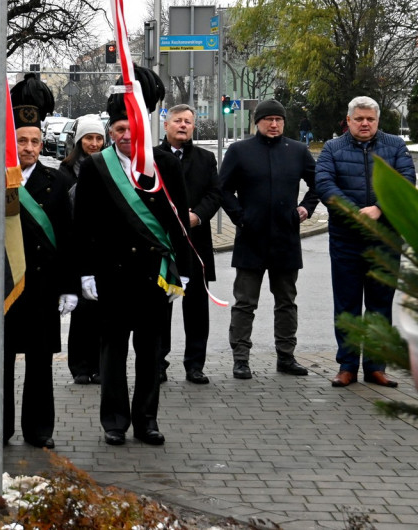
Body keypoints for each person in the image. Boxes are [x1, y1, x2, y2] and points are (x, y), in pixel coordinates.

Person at [73, 66, 190, 447]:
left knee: (151, 353)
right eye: (119, 130)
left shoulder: (166, 165)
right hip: (111, 273)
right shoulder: (94, 168)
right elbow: (83, 225)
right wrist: (85, 272)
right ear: (111, 132)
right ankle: (114, 421)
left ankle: (147, 420)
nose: (126, 136)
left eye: (132, 128)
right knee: (112, 352)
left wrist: (182, 272)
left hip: (153, 275)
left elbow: (178, 223)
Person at [0, 73, 75, 449]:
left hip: (41, 288)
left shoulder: (57, 182)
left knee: (40, 364)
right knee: (0, 364)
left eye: (35, 141)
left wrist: (70, 286)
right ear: (10, 140)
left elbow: (68, 240)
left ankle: (39, 430)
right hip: (2, 286)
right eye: (22, 140)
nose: (29, 147)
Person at [315, 96, 415, 388]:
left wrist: (379, 208)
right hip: (346, 239)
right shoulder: (332, 149)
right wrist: (354, 212)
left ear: (378, 120)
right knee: (346, 305)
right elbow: (325, 184)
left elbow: (405, 179)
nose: (364, 123)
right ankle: (347, 366)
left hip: (385, 238)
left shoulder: (395, 146)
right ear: (348, 121)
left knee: (380, 304)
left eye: (370, 119)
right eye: (358, 118)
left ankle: (375, 366)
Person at [219, 99, 320, 380]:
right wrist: (241, 216)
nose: (274, 124)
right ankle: (241, 359)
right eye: (268, 119)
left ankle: (286, 357)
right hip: (250, 237)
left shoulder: (298, 151)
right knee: (245, 302)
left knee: (286, 301)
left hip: (286, 238)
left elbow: (318, 184)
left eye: (279, 119)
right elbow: (222, 189)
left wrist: (306, 208)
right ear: (257, 122)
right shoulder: (239, 151)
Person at [155, 104, 222, 385]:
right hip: (162, 243)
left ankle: (195, 365)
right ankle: (157, 363)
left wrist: (198, 215)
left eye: (188, 122)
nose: (183, 126)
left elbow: (215, 193)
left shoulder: (206, 159)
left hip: (196, 242)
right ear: (166, 125)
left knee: (196, 309)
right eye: (178, 121)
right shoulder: (151, 158)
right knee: (160, 307)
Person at [61, 114, 107, 385]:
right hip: (76, 247)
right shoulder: (65, 171)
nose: (94, 143)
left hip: (102, 248)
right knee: (81, 313)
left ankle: (102, 366)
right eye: (88, 138)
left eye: (98, 138)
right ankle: (79, 366)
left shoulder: (109, 167)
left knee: (103, 313)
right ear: (79, 141)